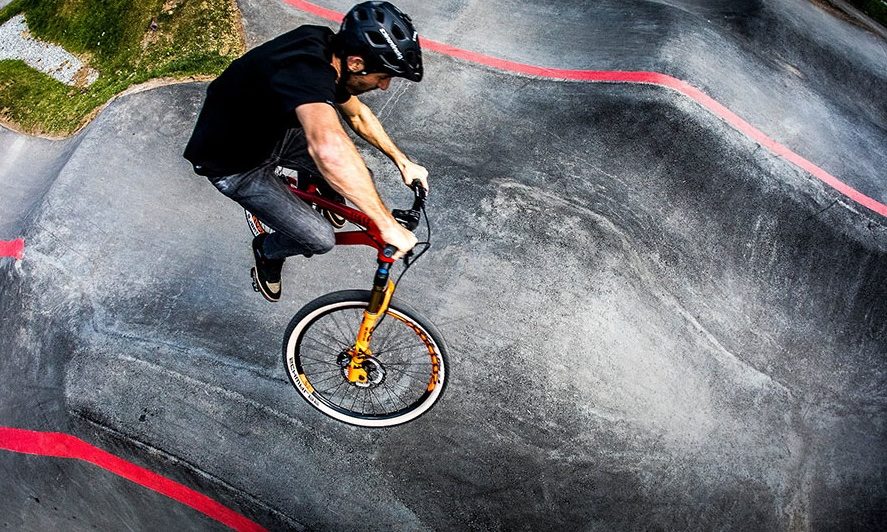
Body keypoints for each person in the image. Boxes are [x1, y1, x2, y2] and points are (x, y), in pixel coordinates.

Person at [183, 1, 427, 302]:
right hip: (235, 165)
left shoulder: (330, 51)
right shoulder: (306, 70)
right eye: (383, 76)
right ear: (355, 63)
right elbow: (328, 149)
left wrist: (402, 161)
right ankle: (268, 251)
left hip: (275, 132)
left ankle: (320, 184)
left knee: (360, 174)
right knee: (319, 238)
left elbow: (358, 115)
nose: (385, 85)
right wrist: (387, 225)